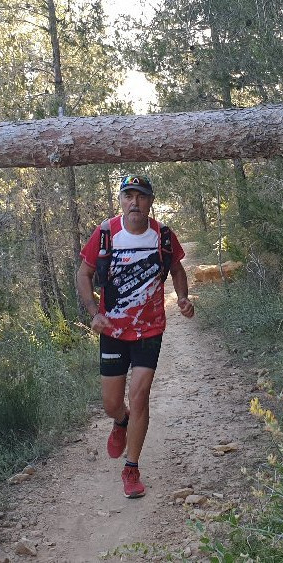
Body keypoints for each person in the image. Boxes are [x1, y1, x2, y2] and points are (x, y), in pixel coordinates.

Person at [76, 173, 195, 499]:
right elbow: (84, 274)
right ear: (121, 200)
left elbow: (177, 269)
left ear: (150, 202)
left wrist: (183, 298)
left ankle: (132, 468)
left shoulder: (163, 236)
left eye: (140, 196)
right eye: (128, 195)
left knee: (140, 395)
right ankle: (121, 421)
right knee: (112, 403)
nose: (134, 202)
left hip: (149, 329)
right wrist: (93, 312)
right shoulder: (106, 233)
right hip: (113, 331)